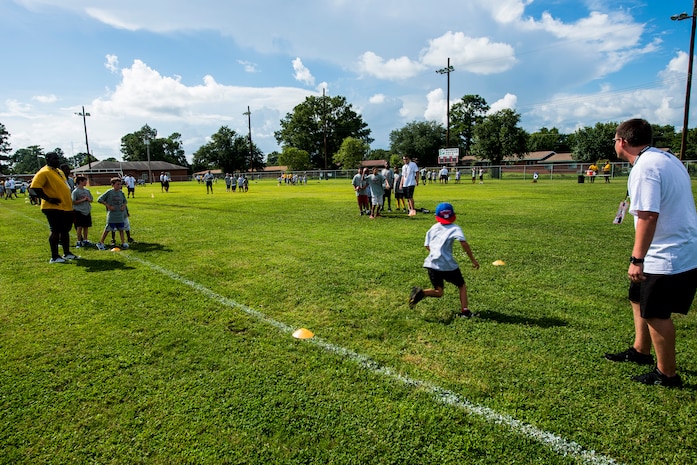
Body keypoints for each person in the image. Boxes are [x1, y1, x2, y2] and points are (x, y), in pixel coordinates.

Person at [604, 118, 697, 387]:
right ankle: (641, 350)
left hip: (667, 252)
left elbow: (647, 216)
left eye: (614, 141)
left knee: (657, 312)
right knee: (638, 296)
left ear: (622, 141)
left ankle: (666, 374)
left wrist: (637, 259)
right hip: (677, 245)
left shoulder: (645, 167)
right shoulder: (664, 158)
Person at [408, 202, 480, 318]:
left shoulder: (433, 228)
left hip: (431, 263)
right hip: (447, 265)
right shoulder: (455, 228)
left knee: (439, 292)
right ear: (453, 215)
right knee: (461, 285)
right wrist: (473, 260)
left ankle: (421, 292)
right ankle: (465, 312)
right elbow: (464, 243)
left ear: (437, 216)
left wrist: (436, 253)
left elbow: (427, 245)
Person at [29, 151, 79, 263]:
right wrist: (49, 198)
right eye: (54, 159)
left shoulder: (59, 171)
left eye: (58, 158)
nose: (57, 161)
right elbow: (34, 188)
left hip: (66, 206)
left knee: (65, 230)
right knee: (55, 230)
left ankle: (67, 253)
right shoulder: (43, 172)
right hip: (52, 207)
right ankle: (55, 256)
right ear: (47, 159)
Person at [96, 177, 130, 250]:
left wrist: (123, 206)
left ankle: (123, 243)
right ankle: (101, 243)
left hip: (120, 215)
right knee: (108, 229)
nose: (119, 186)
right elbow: (99, 199)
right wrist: (108, 205)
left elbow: (125, 201)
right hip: (112, 215)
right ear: (113, 185)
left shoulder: (121, 192)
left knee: (121, 229)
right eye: (117, 184)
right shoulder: (109, 192)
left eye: (120, 184)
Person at [71, 175, 93, 248]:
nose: (86, 182)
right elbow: (73, 202)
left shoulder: (87, 191)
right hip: (79, 211)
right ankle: (79, 241)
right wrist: (83, 200)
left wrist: (88, 199)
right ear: (80, 181)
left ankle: (85, 240)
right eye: (85, 181)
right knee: (79, 227)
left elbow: (91, 200)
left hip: (86, 210)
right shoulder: (75, 191)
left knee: (86, 226)